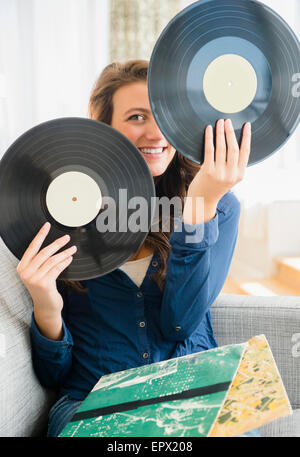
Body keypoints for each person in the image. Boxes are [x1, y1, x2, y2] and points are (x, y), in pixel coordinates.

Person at [17, 60, 259, 437]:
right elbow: (53, 375)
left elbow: (179, 321)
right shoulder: (62, 207)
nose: (156, 131)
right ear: (105, 129)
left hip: (192, 394)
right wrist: (46, 302)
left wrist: (198, 210)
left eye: (163, 115)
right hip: (95, 402)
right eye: (136, 117)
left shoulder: (218, 204)